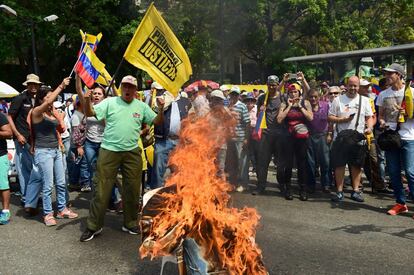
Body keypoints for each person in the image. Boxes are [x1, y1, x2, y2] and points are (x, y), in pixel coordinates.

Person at [80, 75, 164, 242]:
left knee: (132, 189)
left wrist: (161, 109)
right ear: (121, 87)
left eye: (131, 87)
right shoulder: (110, 102)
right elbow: (90, 112)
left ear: (135, 90)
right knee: (101, 189)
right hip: (109, 150)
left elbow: (156, 121)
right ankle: (93, 226)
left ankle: (130, 222)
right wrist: (88, 100)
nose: (127, 89)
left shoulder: (141, 106)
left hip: (132, 152)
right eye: (125, 86)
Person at [31, 77, 78, 226]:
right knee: (48, 185)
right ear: (41, 99)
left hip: (56, 150)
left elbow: (62, 128)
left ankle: (62, 209)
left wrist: (58, 114)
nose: (52, 98)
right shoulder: (36, 112)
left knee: (61, 182)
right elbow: (46, 103)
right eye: (48, 96)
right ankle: (47, 213)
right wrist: (61, 86)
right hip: (43, 151)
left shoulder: (52, 112)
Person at [376, 63, 414, 215]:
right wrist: (382, 122)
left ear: (399, 75)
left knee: (411, 172)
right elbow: (380, 116)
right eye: (386, 74)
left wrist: (409, 112)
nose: (387, 76)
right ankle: (400, 203)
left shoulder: (411, 92)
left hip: (409, 137)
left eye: (390, 74)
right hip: (391, 137)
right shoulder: (383, 95)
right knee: (393, 172)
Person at [329, 76, 374, 203]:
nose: (353, 88)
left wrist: (369, 127)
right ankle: (339, 191)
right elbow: (330, 117)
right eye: (351, 85)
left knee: (356, 165)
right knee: (339, 165)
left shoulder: (365, 100)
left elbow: (369, 117)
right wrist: (342, 120)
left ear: (358, 87)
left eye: (355, 85)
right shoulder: (338, 100)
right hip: (341, 138)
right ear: (346, 85)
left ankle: (355, 191)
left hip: (357, 137)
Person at [7, 74, 42, 203]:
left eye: (36, 84)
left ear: (38, 86)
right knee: (24, 169)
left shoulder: (39, 99)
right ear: (27, 85)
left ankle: (33, 196)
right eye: (31, 84)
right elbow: (9, 116)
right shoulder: (20, 98)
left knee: (36, 168)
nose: (33, 86)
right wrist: (17, 134)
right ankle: (26, 197)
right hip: (22, 138)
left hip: (35, 139)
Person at [277, 83, 313, 200]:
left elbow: (310, 117)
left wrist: (299, 106)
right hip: (287, 137)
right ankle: (288, 189)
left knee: (302, 163)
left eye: (295, 92)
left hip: (302, 138)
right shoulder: (284, 103)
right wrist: (289, 106)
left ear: (299, 92)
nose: (293, 94)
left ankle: (303, 189)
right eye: (291, 92)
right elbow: (279, 119)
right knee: (288, 163)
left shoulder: (305, 103)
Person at [252, 75, 287, 195]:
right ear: (267, 84)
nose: (272, 87)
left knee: (281, 163)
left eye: (274, 84)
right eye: (270, 84)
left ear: (278, 85)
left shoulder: (283, 97)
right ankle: (261, 186)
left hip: (280, 134)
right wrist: (260, 110)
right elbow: (258, 116)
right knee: (263, 162)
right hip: (266, 134)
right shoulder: (262, 98)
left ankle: (282, 186)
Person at [151, 89, 191, 189]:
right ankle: (157, 192)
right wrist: (164, 104)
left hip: (180, 141)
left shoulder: (185, 101)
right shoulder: (160, 99)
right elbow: (154, 113)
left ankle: (177, 194)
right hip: (163, 141)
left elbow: (191, 118)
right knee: (158, 170)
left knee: (179, 169)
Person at [75, 75, 106, 192]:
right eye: (95, 93)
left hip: (104, 143)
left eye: (99, 94)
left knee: (104, 170)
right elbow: (79, 89)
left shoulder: (108, 106)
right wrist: (78, 76)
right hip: (90, 143)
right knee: (93, 169)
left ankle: (108, 196)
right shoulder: (87, 105)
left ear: (104, 96)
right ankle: (96, 196)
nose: (97, 95)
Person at [306, 88, 332, 193]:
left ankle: (326, 184)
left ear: (319, 97)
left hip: (323, 135)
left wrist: (330, 133)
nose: (313, 99)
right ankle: (311, 185)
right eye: (311, 97)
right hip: (309, 136)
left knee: (325, 162)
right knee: (310, 162)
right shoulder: (306, 106)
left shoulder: (326, 105)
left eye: (315, 97)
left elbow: (330, 121)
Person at [226, 86, 250, 192]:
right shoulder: (227, 105)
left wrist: (246, 138)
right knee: (231, 162)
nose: (234, 96)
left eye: (236, 94)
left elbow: (247, 123)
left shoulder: (242, 106)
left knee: (242, 162)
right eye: (232, 94)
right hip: (229, 138)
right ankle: (233, 182)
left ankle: (243, 183)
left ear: (239, 95)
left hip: (240, 138)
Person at [0, 112, 13, 224]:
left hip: (0, 155)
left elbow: (9, 133)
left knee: (2, 184)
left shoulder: (0, 116)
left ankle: (5, 211)